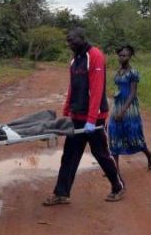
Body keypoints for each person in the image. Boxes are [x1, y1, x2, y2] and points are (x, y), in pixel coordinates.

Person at [43, 28, 125, 205]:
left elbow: (96, 90)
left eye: (72, 41)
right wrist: (66, 112)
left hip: (94, 118)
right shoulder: (74, 60)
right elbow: (72, 87)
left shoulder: (95, 56)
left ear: (81, 39)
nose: (69, 44)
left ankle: (118, 186)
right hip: (77, 116)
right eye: (68, 41)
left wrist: (91, 119)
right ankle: (61, 193)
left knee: (101, 153)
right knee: (69, 155)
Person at [107, 45, 151, 174]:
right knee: (113, 131)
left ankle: (150, 155)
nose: (121, 58)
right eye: (120, 55)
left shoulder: (133, 72)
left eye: (124, 55)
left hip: (129, 107)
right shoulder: (118, 71)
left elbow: (132, 93)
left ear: (130, 57)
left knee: (133, 134)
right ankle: (115, 169)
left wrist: (123, 111)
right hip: (118, 105)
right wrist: (116, 109)